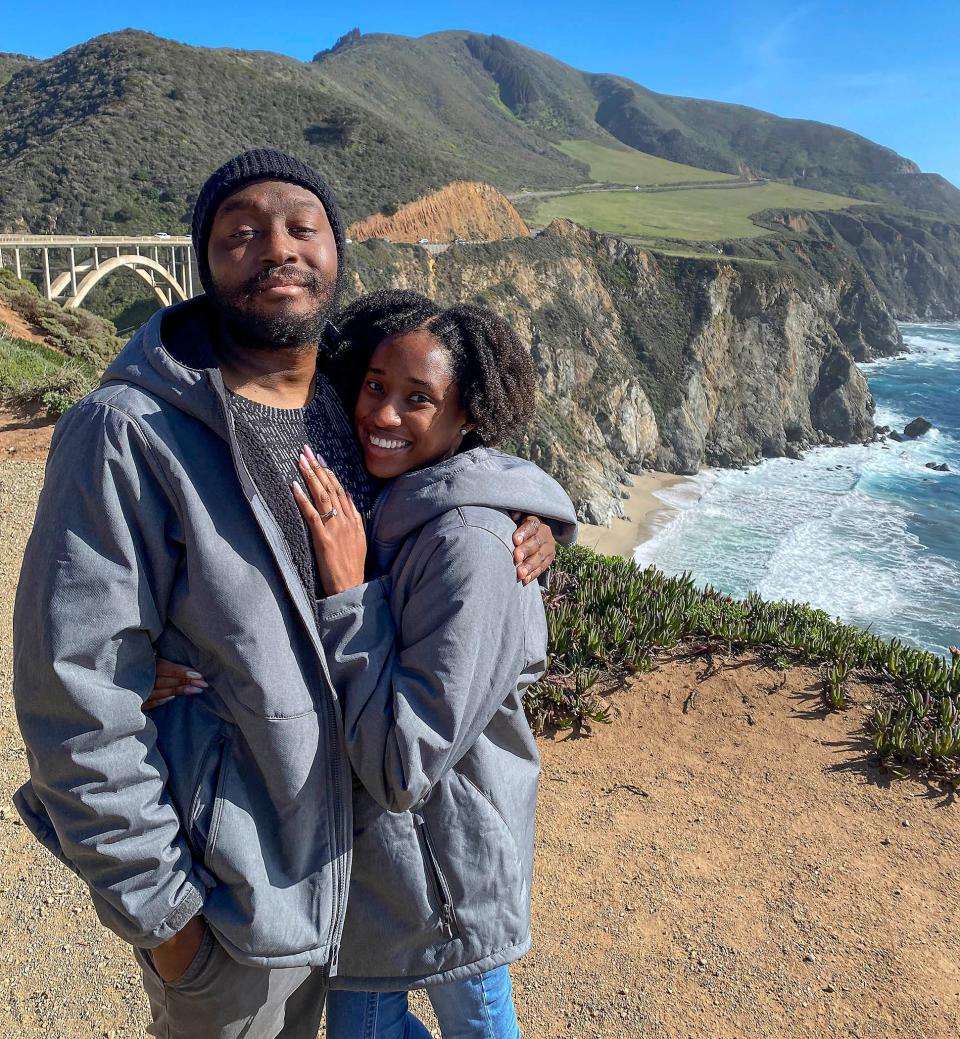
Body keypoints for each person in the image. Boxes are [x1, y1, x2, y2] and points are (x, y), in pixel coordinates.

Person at [11, 149, 557, 1039]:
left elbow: (458, 491)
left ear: (336, 252)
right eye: (242, 232)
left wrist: (534, 529)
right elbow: (71, 699)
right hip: (238, 912)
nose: (276, 247)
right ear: (207, 261)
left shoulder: (357, 408)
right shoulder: (124, 434)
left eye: (302, 226)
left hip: (370, 889)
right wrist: (171, 924)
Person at [153, 289, 578, 1038]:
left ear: (469, 414)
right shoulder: (382, 495)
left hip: (440, 870)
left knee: (477, 1022)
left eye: (419, 398)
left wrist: (350, 592)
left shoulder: (473, 546)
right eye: (376, 386)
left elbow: (399, 765)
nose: (382, 414)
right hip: (372, 870)